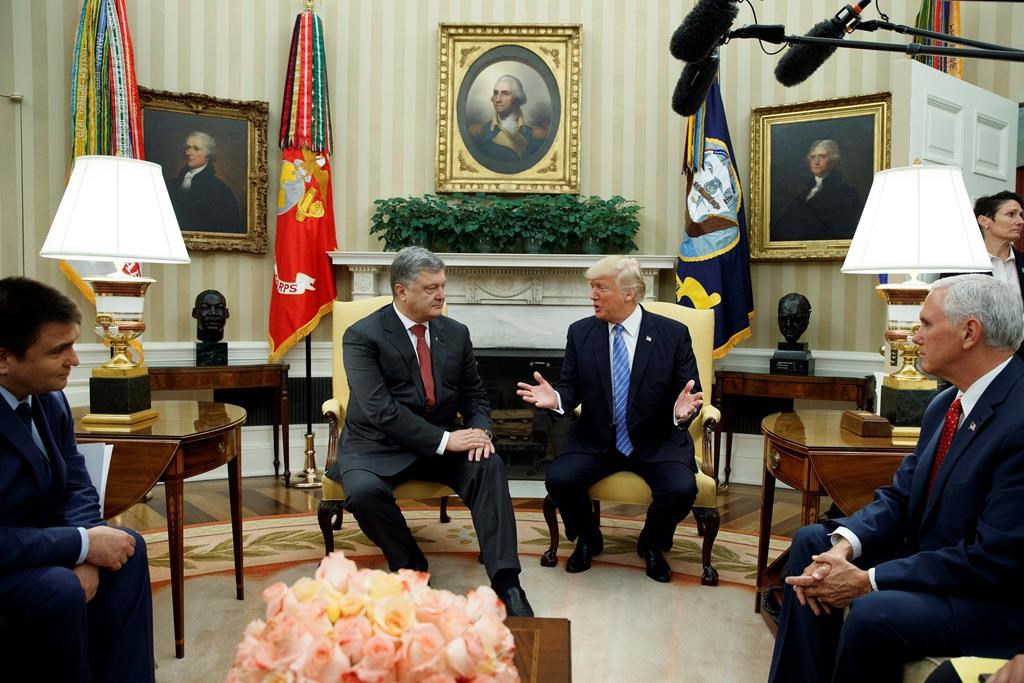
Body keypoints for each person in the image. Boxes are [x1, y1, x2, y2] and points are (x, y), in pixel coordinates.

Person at [767, 274, 1024, 682]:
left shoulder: (1019, 417)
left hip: (988, 598)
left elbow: (991, 559)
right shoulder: (945, 405)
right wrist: (843, 548)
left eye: (925, 324)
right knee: (813, 544)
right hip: (936, 566)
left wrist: (869, 580)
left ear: (969, 332)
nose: (913, 337)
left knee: (874, 613)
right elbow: (901, 497)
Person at [328, 246, 533, 617]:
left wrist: (480, 432)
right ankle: (410, 565)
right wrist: (446, 439)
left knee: (488, 464)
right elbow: (379, 410)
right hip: (377, 444)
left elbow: (475, 394)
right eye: (430, 288)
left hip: (439, 442)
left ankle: (507, 581)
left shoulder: (455, 333)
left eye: (442, 286)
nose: (441, 295)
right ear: (401, 291)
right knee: (362, 493)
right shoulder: (362, 336)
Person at [0, 277, 154, 682]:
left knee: (127, 547)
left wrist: (89, 549)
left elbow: (76, 483)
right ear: (4, 359)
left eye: (72, 345)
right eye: (58, 350)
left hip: (41, 546)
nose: (74, 359)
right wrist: (82, 545)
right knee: (60, 588)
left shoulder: (49, 398)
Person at [516, 255, 704, 583]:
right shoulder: (581, 333)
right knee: (560, 478)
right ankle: (588, 537)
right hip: (596, 438)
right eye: (592, 287)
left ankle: (651, 543)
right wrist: (555, 400)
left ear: (629, 293)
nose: (592, 296)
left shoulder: (672, 334)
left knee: (681, 488)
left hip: (657, 438)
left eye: (601, 288)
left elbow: (690, 392)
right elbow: (569, 389)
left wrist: (681, 413)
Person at [962, 191, 1024, 361]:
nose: (1020, 221)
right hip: (975, 359)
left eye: (1020, 215)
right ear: (984, 221)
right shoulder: (963, 265)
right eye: (1011, 214)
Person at [772, 139, 862, 242]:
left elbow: (842, 230)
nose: (816, 162)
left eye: (822, 156)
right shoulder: (803, 192)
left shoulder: (847, 193)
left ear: (834, 160)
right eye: (813, 157)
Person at [166, 131, 243, 233]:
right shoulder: (171, 184)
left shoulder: (220, 190)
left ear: (208, 155)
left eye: (196, 148)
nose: (188, 153)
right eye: (187, 148)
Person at [466, 74, 547, 169]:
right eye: (496, 93)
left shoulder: (537, 135)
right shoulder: (478, 134)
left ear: (517, 98)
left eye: (505, 93)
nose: (497, 99)